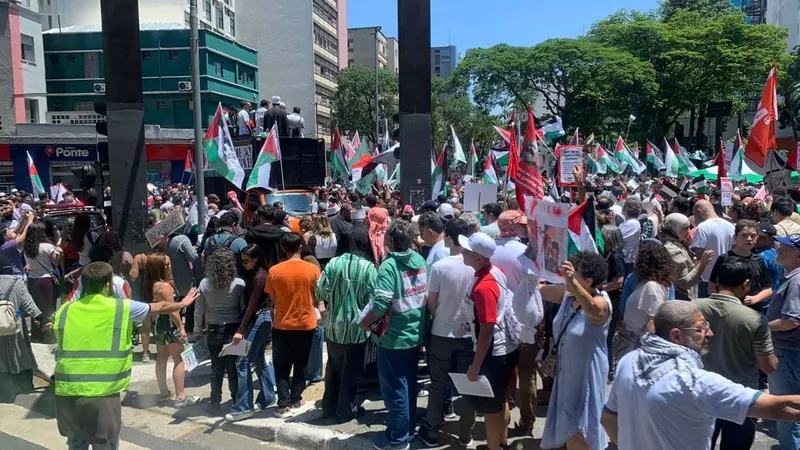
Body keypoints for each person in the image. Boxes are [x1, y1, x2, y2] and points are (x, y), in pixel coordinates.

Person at [602, 301, 800, 450]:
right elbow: (781, 407)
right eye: (701, 328)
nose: (710, 333)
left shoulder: (629, 361)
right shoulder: (695, 383)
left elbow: (608, 417)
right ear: (676, 335)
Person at [54, 262, 199, 450]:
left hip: (66, 394)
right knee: (104, 444)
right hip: (102, 394)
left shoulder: (64, 311)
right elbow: (160, 307)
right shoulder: (120, 308)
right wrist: (183, 303)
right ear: (107, 285)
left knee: (76, 443)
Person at [359, 220, 427, 450]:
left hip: (393, 338)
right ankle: (406, 430)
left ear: (391, 239)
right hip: (415, 333)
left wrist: (366, 323)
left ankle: (397, 441)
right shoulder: (419, 260)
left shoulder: (388, 266)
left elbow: (381, 303)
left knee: (395, 389)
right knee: (408, 384)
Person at [695, 257, 777, 449]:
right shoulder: (754, 319)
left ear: (715, 283)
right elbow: (768, 366)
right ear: (746, 284)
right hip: (741, 397)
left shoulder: (693, 308)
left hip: (701, 392)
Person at [418, 219, 478, 447]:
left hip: (442, 332)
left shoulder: (440, 267)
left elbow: (431, 302)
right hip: (468, 335)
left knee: (438, 384)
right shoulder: (476, 266)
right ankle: (466, 432)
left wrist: (439, 315)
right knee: (467, 387)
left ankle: (432, 429)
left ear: (449, 238)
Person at [457, 232, 519, 450]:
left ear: (479, 258)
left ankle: (494, 446)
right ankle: (501, 442)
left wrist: (475, 366)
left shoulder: (484, 287)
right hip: (504, 349)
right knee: (501, 400)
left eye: (467, 250)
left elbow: (486, 331)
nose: (462, 251)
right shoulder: (495, 272)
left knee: (491, 409)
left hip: (494, 353)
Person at [315, 228, 377, 423]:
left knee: (333, 367)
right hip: (357, 329)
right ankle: (345, 411)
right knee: (351, 371)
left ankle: (328, 408)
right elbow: (375, 300)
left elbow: (320, 293)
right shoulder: (369, 268)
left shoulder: (334, 263)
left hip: (333, 326)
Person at [267, 233, 321, 418]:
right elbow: (317, 296)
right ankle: (296, 398)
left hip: (282, 324)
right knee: (301, 362)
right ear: (300, 247)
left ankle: (282, 404)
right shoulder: (313, 270)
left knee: (281, 364)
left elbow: (273, 299)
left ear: (283, 249)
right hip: (306, 323)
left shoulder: (274, 271)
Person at [227, 245, 277, 422]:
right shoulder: (258, 275)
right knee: (258, 359)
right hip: (262, 319)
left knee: (242, 361)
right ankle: (268, 395)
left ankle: (243, 407)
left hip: (260, 318)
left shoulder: (260, 277)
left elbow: (252, 306)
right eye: (242, 261)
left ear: (256, 259)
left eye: (246, 261)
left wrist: (240, 330)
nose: (244, 264)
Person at [144, 254, 199, 409]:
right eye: (165, 265)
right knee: (179, 359)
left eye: (169, 264)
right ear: (158, 268)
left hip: (158, 324)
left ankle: (163, 392)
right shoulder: (165, 287)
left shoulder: (152, 285)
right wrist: (181, 327)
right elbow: (172, 310)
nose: (169, 267)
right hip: (169, 323)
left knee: (161, 358)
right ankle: (180, 396)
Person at [194, 248, 245, 416]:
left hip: (214, 328)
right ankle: (236, 399)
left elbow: (199, 309)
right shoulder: (238, 284)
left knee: (216, 368)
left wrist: (197, 330)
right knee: (233, 367)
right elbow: (243, 307)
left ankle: (214, 403)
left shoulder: (205, 283)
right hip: (234, 328)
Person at [0, 254, 52, 402]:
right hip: (14, 329)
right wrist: (42, 319)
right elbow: (30, 306)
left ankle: (5, 391)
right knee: (19, 354)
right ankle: (22, 386)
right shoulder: (17, 284)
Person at [614, 240, 676, 360]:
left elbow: (652, 323)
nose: (634, 259)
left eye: (637, 256)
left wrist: (645, 356)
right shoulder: (649, 283)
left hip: (636, 345)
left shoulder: (652, 287)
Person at [766, 233, 800, 449]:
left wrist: (760, 327)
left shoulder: (796, 281)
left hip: (788, 354)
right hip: (790, 353)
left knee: (786, 412)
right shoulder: (792, 277)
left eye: (786, 248)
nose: (779, 250)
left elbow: (791, 320)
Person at [709, 220, 773, 313]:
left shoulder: (759, 260)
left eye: (753, 236)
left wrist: (755, 298)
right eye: (744, 235)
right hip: (727, 309)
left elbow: (768, 289)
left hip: (752, 310)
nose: (749, 239)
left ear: (757, 238)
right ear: (735, 237)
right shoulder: (724, 258)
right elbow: (712, 286)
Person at [24, 222, 62, 343]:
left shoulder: (27, 247)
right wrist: (60, 252)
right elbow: (56, 262)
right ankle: (49, 337)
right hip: (45, 280)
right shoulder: (47, 247)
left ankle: (36, 335)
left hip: (32, 279)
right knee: (48, 308)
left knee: (34, 307)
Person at [661, 213, 714, 300]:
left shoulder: (678, 244)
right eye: (685, 228)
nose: (689, 231)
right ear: (674, 230)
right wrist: (702, 264)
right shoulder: (673, 250)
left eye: (689, 227)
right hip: (681, 301)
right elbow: (684, 283)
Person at [691, 199, 735, 298]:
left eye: (694, 215)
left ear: (699, 212)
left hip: (706, 278)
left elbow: (699, 255)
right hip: (725, 278)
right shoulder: (730, 226)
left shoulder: (703, 227)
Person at [601, 225, 625, 379]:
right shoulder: (609, 254)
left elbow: (618, 281)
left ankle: (610, 369)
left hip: (614, 300)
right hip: (611, 299)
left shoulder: (615, 257)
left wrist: (601, 288)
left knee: (608, 337)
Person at [245, 206, 289, 271]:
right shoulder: (282, 234)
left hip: (256, 272)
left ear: (261, 217)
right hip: (277, 271)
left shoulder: (251, 233)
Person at [619, 198, 642, 274]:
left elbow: (617, 239)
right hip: (624, 259)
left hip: (625, 261)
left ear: (626, 209)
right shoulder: (631, 222)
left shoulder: (632, 224)